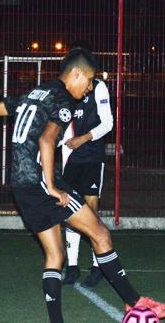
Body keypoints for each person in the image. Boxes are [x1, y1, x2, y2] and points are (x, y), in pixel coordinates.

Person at [0, 48, 165, 322]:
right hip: (42, 182)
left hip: (21, 186)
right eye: (90, 80)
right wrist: (53, 187)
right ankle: (135, 301)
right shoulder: (63, 101)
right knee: (100, 234)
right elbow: (46, 141)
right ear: (76, 74)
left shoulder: (36, 92)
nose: (90, 87)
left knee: (55, 255)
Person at [61, 72, 113, 287]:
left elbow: (108, 123)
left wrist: (83, 138)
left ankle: (97, 266)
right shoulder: (64, 89)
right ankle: (72, 267)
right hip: (70, 161)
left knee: (90, 212)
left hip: (92, 158)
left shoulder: (98, 87)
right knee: (71, 212)